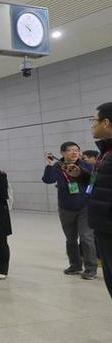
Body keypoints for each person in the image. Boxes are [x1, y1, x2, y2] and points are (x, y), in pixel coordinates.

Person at [42, 142, 96, 279]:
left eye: (77, 150)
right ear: (62, 153)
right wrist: (48, 165)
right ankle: (75, 265)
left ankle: (90, 268)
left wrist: (88, 194)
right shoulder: (57, 166)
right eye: (70, 150)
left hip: (85, 206)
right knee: (70, 239)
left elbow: (93, 180)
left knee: (86, 237)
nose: (74, 152)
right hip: (66, 207)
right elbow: (48, 180)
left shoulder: (86, 165)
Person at [79, 102, 112, 298]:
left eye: (94, 120)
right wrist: (83, 176)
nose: (92, 124)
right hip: (103, 226)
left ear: (106, 122)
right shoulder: (105, 152)